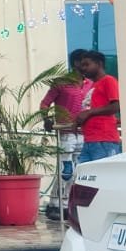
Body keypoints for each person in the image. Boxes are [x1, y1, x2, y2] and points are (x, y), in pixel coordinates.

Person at [39, 50, 87, 216]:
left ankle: (69, 204)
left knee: (79, 171)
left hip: (84, 133)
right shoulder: (61, 83)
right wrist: (47, 119)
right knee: (66, 170)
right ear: (75, 63)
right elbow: (45, 104)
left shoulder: (90, 84)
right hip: (65, 132)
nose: (87, 66)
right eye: (84, 63)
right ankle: (56, 205)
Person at [75, 50, 122, 163]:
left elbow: (116, 106)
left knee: (104, 176)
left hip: (104, 140)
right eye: (82, 66)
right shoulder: (93, 85)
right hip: (89, 140)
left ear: (99, 64)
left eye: (87, 64)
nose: (83, 69)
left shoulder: (108, 81)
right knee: (83, 177)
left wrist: (89, 113)